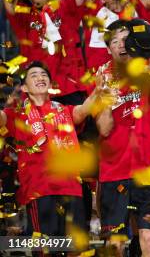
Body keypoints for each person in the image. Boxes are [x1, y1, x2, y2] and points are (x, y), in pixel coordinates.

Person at [0, 61, 104, 241]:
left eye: (44, 75)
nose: (40, 77)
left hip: (72, 189)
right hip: (40, 190)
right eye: (34, 75)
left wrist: (99, 89)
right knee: (46, 248)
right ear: (24, 87)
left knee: (74, 249)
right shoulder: (16, 114)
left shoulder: (63, 109)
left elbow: (83, 110)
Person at [93, 19, 150, 257]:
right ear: (108, 49)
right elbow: (104, 129)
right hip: (115, 172)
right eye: (115, 41)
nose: (122, 45)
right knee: (115, 245)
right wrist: (103, 98)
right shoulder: (101, 78)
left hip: (148, 169)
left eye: (126, 39)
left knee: (148, 239)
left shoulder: (146, 65)